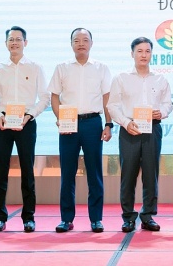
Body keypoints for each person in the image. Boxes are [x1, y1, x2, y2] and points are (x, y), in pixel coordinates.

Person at [0, 26, 50, 233]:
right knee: (0, 171)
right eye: (11, 39)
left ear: (25, 43)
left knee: (27, 171)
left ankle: (28, 218)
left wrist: (30, 115)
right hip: (3, 123)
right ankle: (0, 218)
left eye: (18, 39)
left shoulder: (35, 67)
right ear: (6, 43)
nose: (14, 42)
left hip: (26, 122)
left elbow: (45, 97)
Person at [49, 28, 113, 233]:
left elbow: (107, 98)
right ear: (71, 44)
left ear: (91, 43)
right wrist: (60, 119)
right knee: (67, 172)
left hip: (93, 123)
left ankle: (96, 219)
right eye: (76, 40)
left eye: (85, 40)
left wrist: (108, 124)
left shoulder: (101, 68)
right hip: (69, 124)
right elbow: (54, 96)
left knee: (94, 173)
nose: (81, 44)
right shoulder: (62, 68)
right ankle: (66, 219)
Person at [107, 37, 172, 232]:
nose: (144, 55)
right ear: (132, 54)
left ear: (152, 54)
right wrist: (126, 123)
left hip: (153, 129)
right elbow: (112, 106)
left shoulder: (160, 79)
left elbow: (167, 104)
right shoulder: (121, 78)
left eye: (147, 51)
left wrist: (162, 112)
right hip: (130, 129)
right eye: (140, 51)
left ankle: (148, 215)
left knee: (151, 175)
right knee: (128, 174)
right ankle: (128, 217)